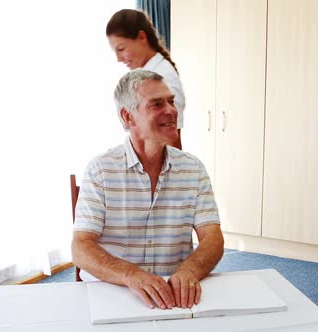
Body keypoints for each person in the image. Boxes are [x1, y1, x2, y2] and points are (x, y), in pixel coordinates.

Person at [71, 70, 224, 310]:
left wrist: (190, 270)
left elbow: (213, 238)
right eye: (157, 104)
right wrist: (131, 275)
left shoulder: (193, 169)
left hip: (174, 296)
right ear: (128, 117)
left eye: (171, 101)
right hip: (114, 292)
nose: (172, 110)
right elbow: (81, 247)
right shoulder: (100, 170)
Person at [106, 8, 184, 149]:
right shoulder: (145, 76)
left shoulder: (164, 79)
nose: (118, 59)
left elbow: (172, 141)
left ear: (142, 37)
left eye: (121, 49)